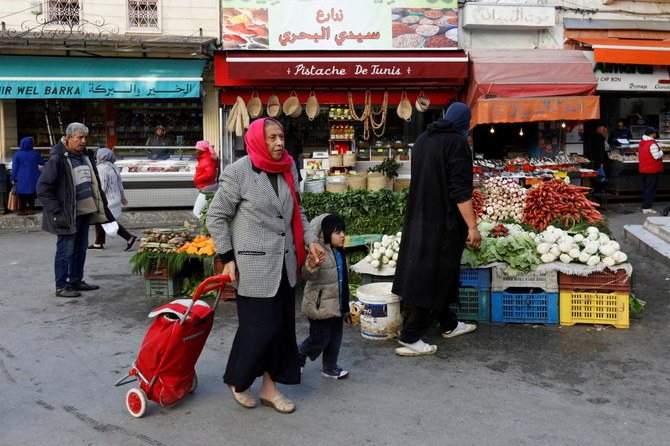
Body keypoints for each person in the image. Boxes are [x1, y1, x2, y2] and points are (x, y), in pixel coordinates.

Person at [206, 117, 324, 414]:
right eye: (272, 138)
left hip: (285, 262)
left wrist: (310, 240)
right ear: (259, 140)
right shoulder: (239, 172)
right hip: (253, 264)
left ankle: (271, 388)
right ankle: (238, 380)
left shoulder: (288, 167)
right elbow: (216, 216)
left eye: (281, 137)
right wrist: (228, 257)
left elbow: (298, 211)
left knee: (281, 328)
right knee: (258, 328)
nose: (279, 143)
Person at [391, 102, 482, 356]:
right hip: (443, 223)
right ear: (464, 123)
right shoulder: (457, 144)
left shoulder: (422, 139)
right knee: (435, 276)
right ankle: (410, 335)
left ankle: (449, 324)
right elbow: (460, 191)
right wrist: (472, 226)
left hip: (419, 216)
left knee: (439, 272)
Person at [36, 122, 112, 298]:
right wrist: (58, 212)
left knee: (80, 249)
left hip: (85, 212)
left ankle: (76, 280)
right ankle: (62, 285)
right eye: (79, 137)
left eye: (85, 137)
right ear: (68, 138)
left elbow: (94, 183)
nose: (83, 141)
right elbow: (43, 189)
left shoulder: (84, 156)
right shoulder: (58, 159)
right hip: (67, 214)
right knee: (65, 251)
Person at [298, 213, 350, 380]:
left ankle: (330, 367)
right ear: (324, 234)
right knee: (320, 339)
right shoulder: (317, 252)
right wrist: (312, 265)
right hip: (319, 306)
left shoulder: (340, 252)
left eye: (343, 231)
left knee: (335, 339)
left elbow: (343, 281)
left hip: (336, 305)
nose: (342, 236)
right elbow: (306, 275)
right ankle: (299, 354)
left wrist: (346, 307)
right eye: (337, 232)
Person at [88, 148, 138, 251]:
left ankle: (130, 238)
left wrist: (96, 199)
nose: (97, 157)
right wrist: (122, 197)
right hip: (115, 198)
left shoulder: (102, 168)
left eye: (98, 155)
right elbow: (120, 184)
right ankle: (98, 243)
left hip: (107, 200)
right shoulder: (113, 167)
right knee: (100, 219)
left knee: (108, 220)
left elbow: (102, 187)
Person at [11, 137, 45, 215]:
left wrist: (12, 178)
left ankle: (23, 209)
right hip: (33, 176)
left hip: (21, 176)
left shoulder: (17, 154)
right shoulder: (35, 153)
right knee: (32, 193)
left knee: (22, 193)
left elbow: (14, 167)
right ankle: (31, 208)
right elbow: (42, 162)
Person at [638, 126, 664, 214]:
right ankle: (647, 207)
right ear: (652, 134)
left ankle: (644, 206)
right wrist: (661, 151)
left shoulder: (642, 142)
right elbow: (656, 156)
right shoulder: (652, 143)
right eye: (654, 133)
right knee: (650, 189)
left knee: (646, 188)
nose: (655, 134)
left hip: (643, 169)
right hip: (651, 169)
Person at [192, 140, 220, 218]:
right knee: (207, 210)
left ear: (202, 150)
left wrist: (197, 179)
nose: (196, 151)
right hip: (211, 186)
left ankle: (209, 227)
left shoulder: (206, 160)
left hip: (207, 188)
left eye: (197, 149)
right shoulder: (207, 157)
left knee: (197, 212)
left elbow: (210, 173)